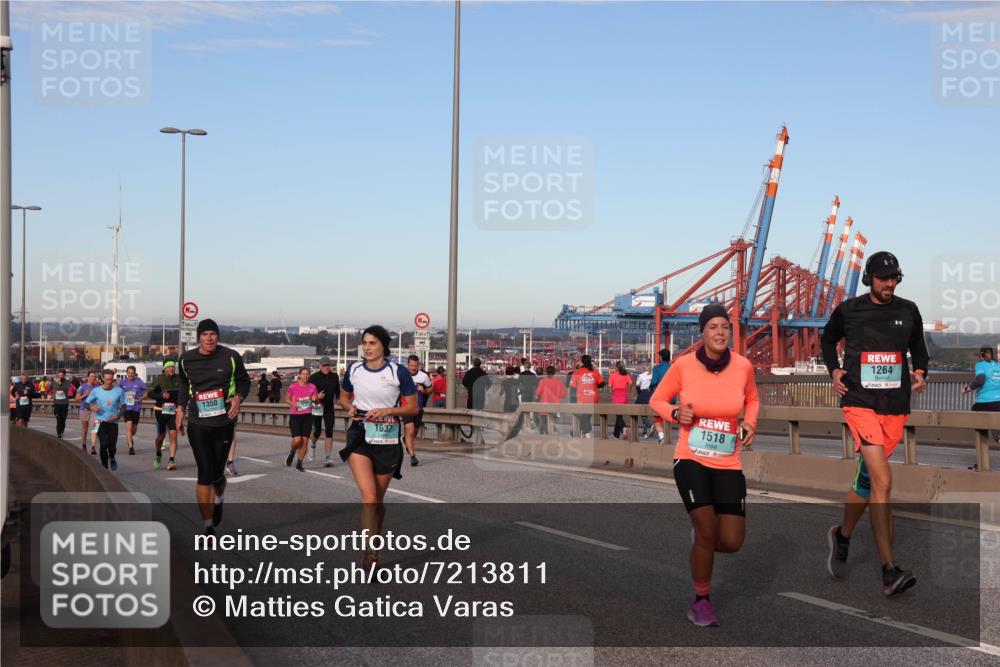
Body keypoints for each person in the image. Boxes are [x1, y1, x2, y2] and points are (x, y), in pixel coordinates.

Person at [821, 251, 928, 597]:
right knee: (883, 481)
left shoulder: (908, 310)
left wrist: (921, 371)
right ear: (870, 278)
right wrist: (834, 369)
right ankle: (889, 571)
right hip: (860, 403)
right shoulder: (849, 310)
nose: (889, 284)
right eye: (883, 278)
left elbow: (918, 347)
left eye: (894, 278)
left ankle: (842, 535)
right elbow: (826, 338)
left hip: (895, 406)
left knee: (867, 482)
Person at [650, 304, 759, 627]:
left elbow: (752, 399)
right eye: (713, 327)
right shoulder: (683, 366)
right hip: (691, 458)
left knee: (731, 541)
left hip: (728, 460)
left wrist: (750, 423)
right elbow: (658, 398)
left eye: (725, 326)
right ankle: (701, 601)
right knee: (708, 529)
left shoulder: (743, 367)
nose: (720, 332)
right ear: (702, 332)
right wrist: (674, 414)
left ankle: (701, 542)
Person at [338, 325, 418, 569]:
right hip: (360, 434)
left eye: (372, 343)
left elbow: (412, 408)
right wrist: (348, 407)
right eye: (364, 343)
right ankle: (370, 554)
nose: (367, 347)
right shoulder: (354, 370)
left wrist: (388, 410)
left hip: (387, 437)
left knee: (378, 501)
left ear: (383, 345)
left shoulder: (398, 372)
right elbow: (343, 397)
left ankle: (373, 540)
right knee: (370, 497)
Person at [176, 319, 251, 536]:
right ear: (198, 337)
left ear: (218, 336)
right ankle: (207, 525)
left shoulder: (231, 357)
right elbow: (183, 384)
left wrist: (238, 397)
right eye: (205, 334)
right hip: (198, 423)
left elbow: (244, 382)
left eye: (213, 334)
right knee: (204, 472)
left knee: (217, 476)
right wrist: (181, 408)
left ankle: (219, 499)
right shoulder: (186, 359)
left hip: (223, 423)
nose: (209, 338)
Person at [83, 368, 127, 471]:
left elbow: (124, 406)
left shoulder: (119, 391)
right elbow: (86, 403)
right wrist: (91, 407)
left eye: (111, 379)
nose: (108, 382)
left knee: (112, 446)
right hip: (99, 421)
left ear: (113, 379)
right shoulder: (96, 391)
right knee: (103, 444)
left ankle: (112, 457)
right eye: (106, 379)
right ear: (102, 378)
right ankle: (105, 468)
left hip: (113, 421)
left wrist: (118, 416)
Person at [962, 346, 1000, 444]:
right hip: (998, 401)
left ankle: (982, 445)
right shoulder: (998, 365)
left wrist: (967, 389)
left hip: (984, 401)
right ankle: (998, 437)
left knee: (975, 413)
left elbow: (980, 379)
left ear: (981, 355)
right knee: (996, 425)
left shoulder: (980, 365)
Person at [150, 359, 183, 470]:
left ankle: (171, 460)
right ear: (164, 368)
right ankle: (158, 454)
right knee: (161, 437)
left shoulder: (179, 379)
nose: (171, 368)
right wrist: (161, 396)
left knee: (173, 434)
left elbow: (184, 392)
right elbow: (150, 393)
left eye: (173, 366)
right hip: (160, 410)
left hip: (173, 411)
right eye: (169, 367)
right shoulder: (159, 379)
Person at [309, 357, 341, 467]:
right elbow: (308, 393)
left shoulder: (334, 376)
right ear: (320, 366)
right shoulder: (314, 378)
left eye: (328, 365)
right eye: (324, 365)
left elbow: (337, 388)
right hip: (317, 406)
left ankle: (328, 458)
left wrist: (338, 397)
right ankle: (312, 443)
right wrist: (316, 396)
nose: (326, 367)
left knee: (329, 431)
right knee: (317, 432)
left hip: (329, 407)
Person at [285, 367, 318, 473]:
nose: (306, 376)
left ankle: (299, 464)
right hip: (295, 416)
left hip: (307, 416)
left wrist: (315, 399)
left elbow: (316, 400)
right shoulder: (293, 386)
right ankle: (292, 451)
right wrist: (293, 404)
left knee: (305, 442)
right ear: (299, 375)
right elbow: (287, 399)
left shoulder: (312, 387)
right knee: (297, 440)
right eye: (303, 374)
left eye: (307, 374)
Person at [403, 355, 432, 467]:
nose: (413, 368)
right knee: (410, 431)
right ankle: (412, 456)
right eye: (411, 365)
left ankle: (405, 440)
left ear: (418, 365)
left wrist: (424, 390)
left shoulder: (423, 376)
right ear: (408, 365)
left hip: (418, 408)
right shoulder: (402, 375)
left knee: (414, 432)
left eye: (415, 366)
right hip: (406, 408)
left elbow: (431, 389)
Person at [569, 355, 604, 438]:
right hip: (593, 398)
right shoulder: (595, 372)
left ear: (582, 362)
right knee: (586, 417)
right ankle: (575, 432)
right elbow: (602, 383)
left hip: (582, 398)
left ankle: (587, 434)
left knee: (584, 417)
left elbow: (572, 386)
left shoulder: (577, 372)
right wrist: (594, 385)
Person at [119, 365, 148, 456]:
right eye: (129, 373)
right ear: (127, 373)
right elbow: (118, 392)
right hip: (126, 408)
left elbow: (146, 392)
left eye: (132, 373)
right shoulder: (122, 383)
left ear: (135, 373)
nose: (130, 374)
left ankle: (130, 438)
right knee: (129, 426)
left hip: (136, 408)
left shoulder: (139, 382)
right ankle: (131, 447)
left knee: (133, 429)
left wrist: (140, 398)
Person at [534, 365, 567, 434]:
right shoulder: (558, 382)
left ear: (546, 372)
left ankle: (547, 436)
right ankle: (552, 435)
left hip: (544, 405)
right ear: (554, 372)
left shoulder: (542, 381)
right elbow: (564, 394)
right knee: (553, 422)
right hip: (555, 405)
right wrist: (557, 395)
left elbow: (537, 394)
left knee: (545, 422)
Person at [649, 349, 672, 443]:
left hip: (662, 397)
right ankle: (667, 437)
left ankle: (662, 437)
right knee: (668, 417)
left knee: (657, 419)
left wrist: (650, 387)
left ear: (661, 357)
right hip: (672, 397)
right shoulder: (673, 367)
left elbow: (654, 382)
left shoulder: (657, 368)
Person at [47, 369, 75, 438]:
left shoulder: (68, 382)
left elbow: (71, 389)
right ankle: (59, 433)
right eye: (59, 375)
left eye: (62, 375)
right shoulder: (54, 382)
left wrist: (60, 385)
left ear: (64, 376)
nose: (60, 376)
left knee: (63, 419)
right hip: (57, 403)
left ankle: (61, 430)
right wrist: (49, 394)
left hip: (65, 403)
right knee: (58, 419)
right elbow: (48, 390)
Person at [608, 361, 633, 439]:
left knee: (618, 415)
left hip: (616, 394)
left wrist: (612, 389)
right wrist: (627, 389)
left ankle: (624, 428)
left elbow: (609, 385)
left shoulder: (612, 375)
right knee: (619, 415)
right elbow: (631, 383)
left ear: (616, 367)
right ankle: (616, 434)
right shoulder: (626, 375)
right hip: (624, 395)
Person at [76, 370, 99, 453]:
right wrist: (85, 394)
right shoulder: (82, 386)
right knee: (85, 428)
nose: (93, 378)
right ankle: (84, 443)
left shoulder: (97, 387)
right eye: (91, 376)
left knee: (95, 427)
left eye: (94, 377)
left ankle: (93, 446)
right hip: (84, 409)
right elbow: (77, 398)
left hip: (94, 410)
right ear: (88, 377)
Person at [635, 364, 653, 436]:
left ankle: (649, 425)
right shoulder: (652, 375)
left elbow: (637, 384)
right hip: (651, 393)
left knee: (640, 410)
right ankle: (645, 431)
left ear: (644, 368)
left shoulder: (641, 375)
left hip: (643, 393)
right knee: (647, 412)